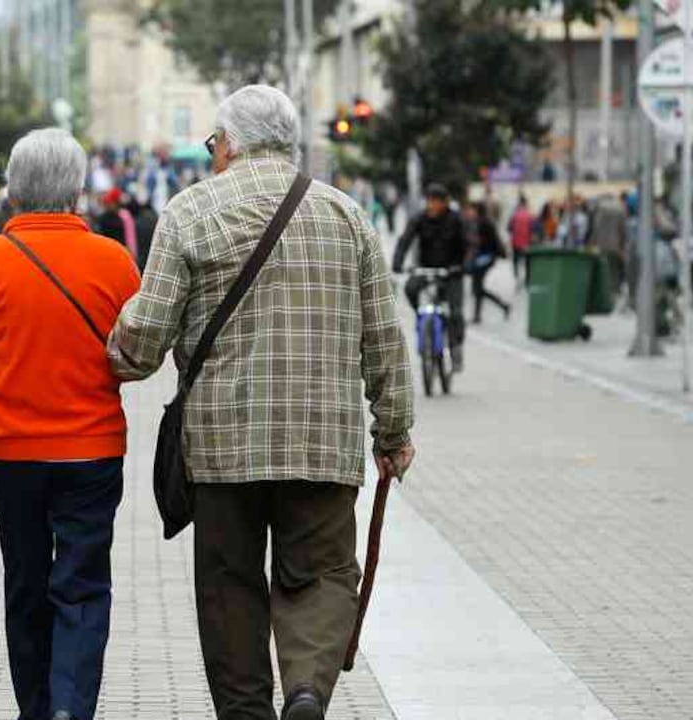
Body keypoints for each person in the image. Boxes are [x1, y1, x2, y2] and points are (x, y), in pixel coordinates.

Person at [109, 85, 415, 720]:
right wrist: (393, 432)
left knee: (229, 586)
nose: (212, 153)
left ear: (230, 145)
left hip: (224, 444)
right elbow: (383, 336)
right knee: (323, 574)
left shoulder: (189, 212)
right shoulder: (346, 216)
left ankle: (246, 713)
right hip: (322, 440)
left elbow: (143, 339)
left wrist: (112, 354)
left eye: (213, 142)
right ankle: (305, 689)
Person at [0, 128, 140, 720]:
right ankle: (70, 708)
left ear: (12, 192)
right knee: (81, 585)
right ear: (78, 193)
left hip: (11, 453)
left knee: (26, 584)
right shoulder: (114, 261)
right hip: (92, 452)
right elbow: (134, 357)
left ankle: (36, 708)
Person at [393, 183, 469, 370]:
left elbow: (470, 245)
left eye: (436, 202)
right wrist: (398, 263)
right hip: (426, 270)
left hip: (452, 272)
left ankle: (456, 347)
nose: (432, 206)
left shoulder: (457, 220)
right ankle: (423, 322)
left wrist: (463, 266)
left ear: (445, 203)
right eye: (429, 201)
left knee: (455, 313)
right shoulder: (419, 219)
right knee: (410, 288)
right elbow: (405, 240)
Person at [465, 203, 511, 323]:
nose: (469, 212)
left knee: (477, 288)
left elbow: (485, 242)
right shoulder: (481, 222)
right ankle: (501, 306)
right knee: (478, 288)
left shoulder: (482, 223)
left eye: (471, 209)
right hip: (483, 258)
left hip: (485, 258)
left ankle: (482, 314)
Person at [590, 193, 629, 302]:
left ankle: (606, 296)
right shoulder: (620, 210)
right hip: (615, 246)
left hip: (601, 246)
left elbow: (595, 228)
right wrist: (624, 245)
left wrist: (592, 242)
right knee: (615, 272)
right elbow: (623, 230)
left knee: (603, 272)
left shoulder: (600, 209)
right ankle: (614, 295)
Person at [508, 195, 535, 286]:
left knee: (516, 260)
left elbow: (509, 228)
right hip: (527, 243)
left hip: (516, 242)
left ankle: (517, 275)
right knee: (528, 262)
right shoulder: (530, 215)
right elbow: (533, 229)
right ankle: (527, 279)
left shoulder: (514, 215)